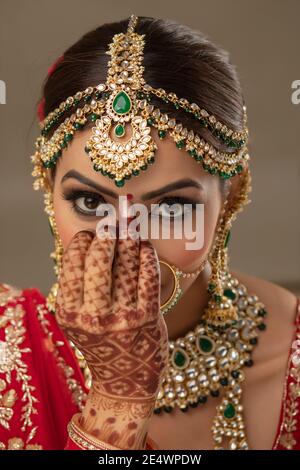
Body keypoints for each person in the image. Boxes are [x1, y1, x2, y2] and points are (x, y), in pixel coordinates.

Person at [0, 14, 299, 451]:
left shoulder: (289, 365)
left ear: (231, 197)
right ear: (49, 192)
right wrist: (117, 402)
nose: (125, 244)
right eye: (90, 202)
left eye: (172, 207)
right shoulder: (9, 353)